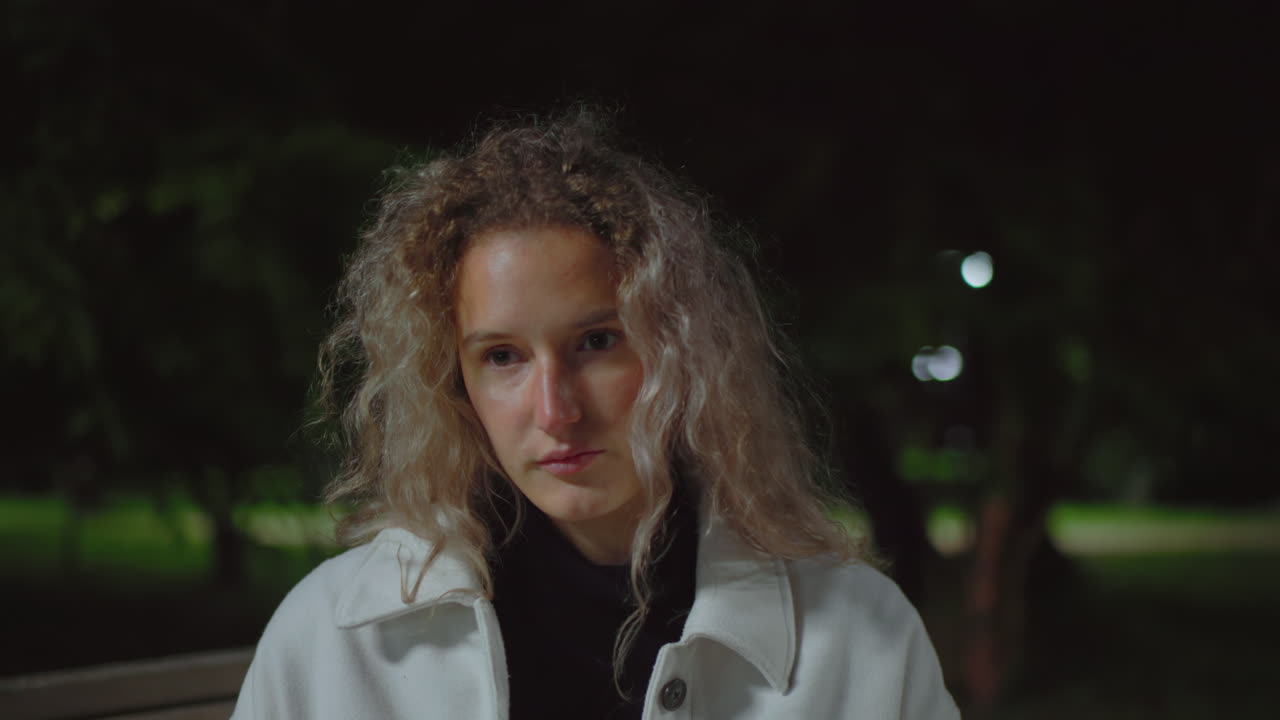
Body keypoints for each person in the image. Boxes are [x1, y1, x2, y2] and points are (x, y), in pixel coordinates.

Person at [231, 110, 960, 719]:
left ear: (685, 351)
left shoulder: (862, 636)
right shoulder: (332, 639)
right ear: (455, 384)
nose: (555, 410)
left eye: (598, 342)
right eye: (503, 357)